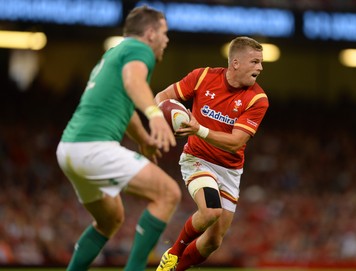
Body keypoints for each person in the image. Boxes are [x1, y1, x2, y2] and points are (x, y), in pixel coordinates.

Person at [56, 5, 181, 271]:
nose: (166, 39)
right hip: (93, 147)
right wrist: (155, 115)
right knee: (168, 194)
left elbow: (126, 106)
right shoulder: (139, 50)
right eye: (164, 32)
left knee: (110, 219)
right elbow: (134, 83)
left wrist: (144, 139)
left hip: (69, 148)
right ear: (150, 33)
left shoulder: (115, 53)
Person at [155, 36, 269, 270]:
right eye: (255, 61)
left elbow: (236, 142)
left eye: (261, 62)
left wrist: (199, 128)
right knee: (210, 212)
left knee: (213, 242)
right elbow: (162, 98)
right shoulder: (202, 77)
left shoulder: (258, 99)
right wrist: (162, 118)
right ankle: (173, 255)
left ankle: (174, 269)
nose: (260, 67)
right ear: (235, 63)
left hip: (230, 169)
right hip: (198, 159)